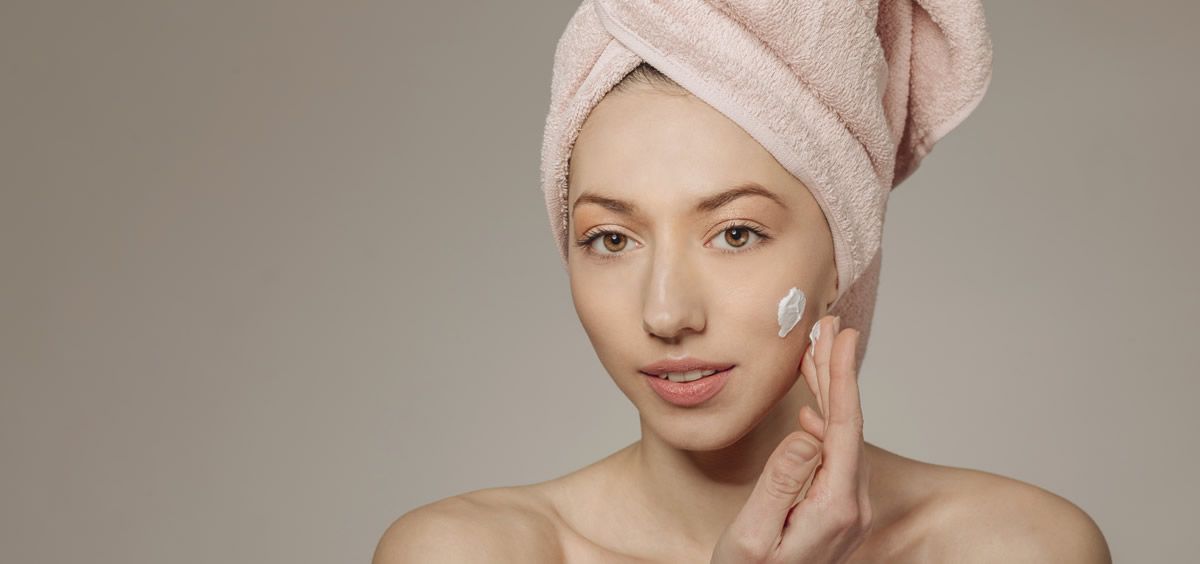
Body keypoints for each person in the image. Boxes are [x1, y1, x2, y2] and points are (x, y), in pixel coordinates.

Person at [373, 61, 1112, 562]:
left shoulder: (1015, 548)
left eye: (735, 234)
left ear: (842, 253)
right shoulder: (467, 552)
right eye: (611, 239)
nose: (667, 313)